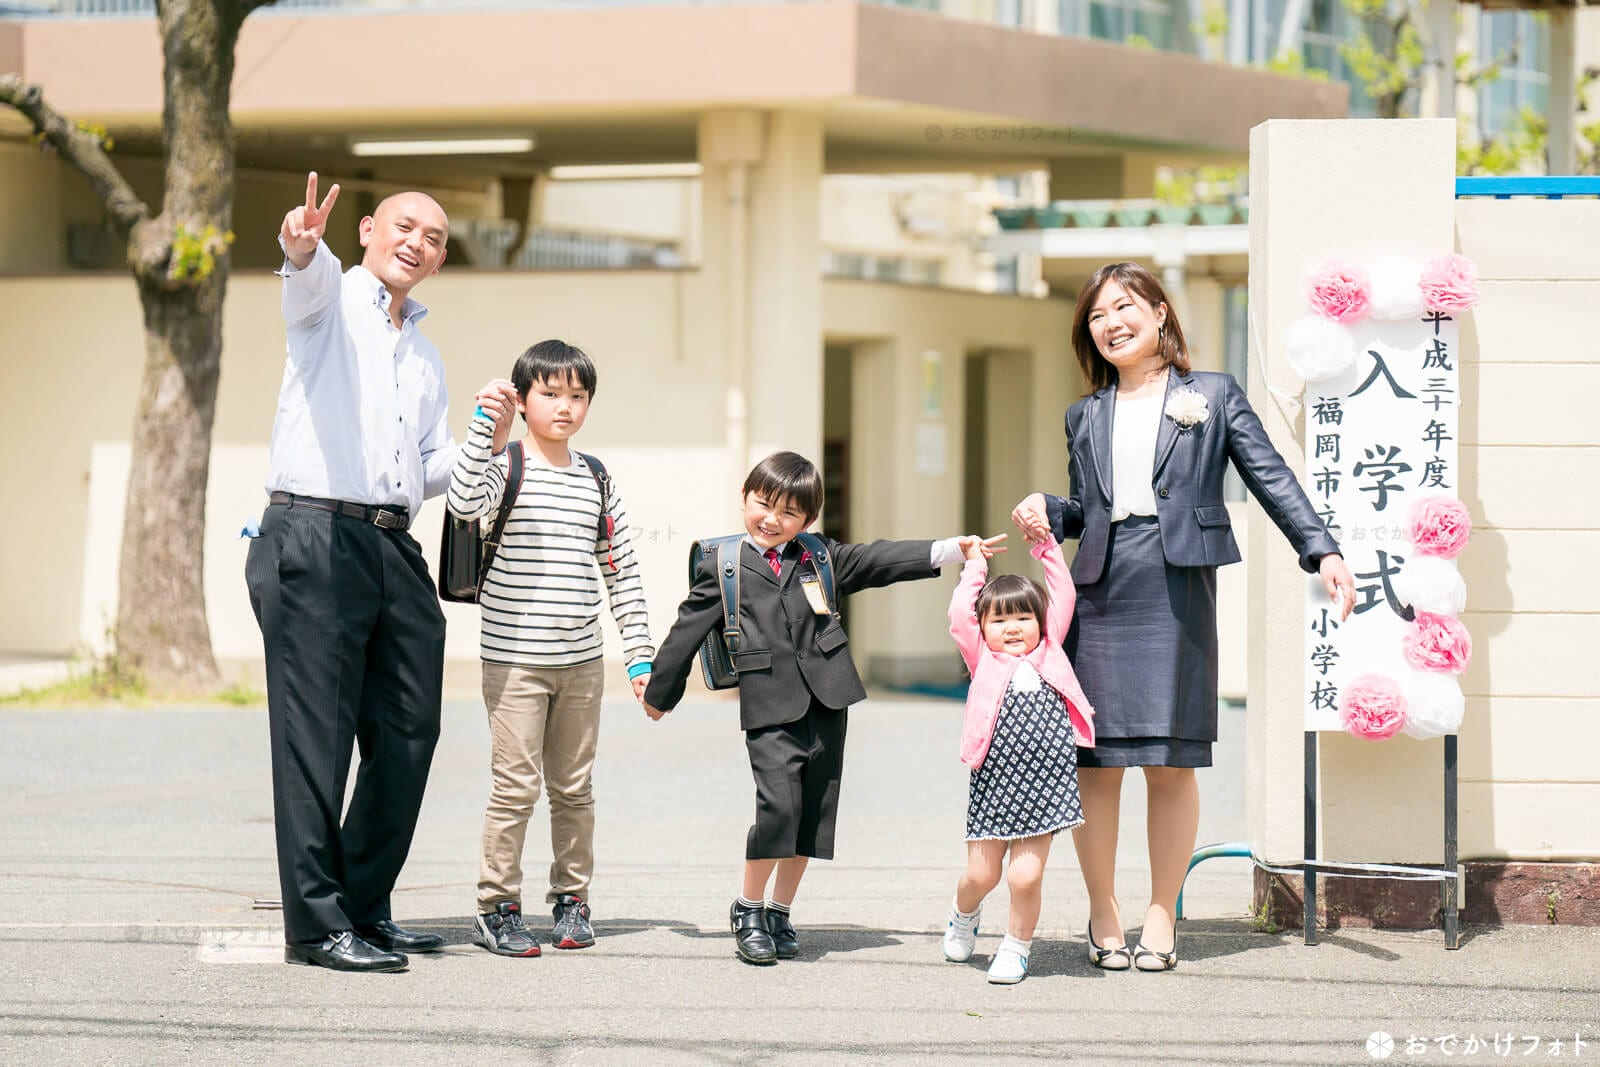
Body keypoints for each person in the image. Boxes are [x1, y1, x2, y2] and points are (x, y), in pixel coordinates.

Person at [1011, 261, 1356, 972]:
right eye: (1098, 315)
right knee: (1095, 762)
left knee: (1170, 762)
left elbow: (1270, 476)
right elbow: (1086, 510)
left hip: (1176, 584)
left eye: (1125, 306)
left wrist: (1319, 548)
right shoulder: (1085, 413)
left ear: (1161, 314)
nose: (1112, 322)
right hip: (1098, 592)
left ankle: (1162, 912)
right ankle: (1104, 911)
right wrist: (1049, 508)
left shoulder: (1214, 396)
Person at [247, 173, 504, 973]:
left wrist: (485, 439)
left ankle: (364, 904)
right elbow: (303, 269)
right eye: (404, 226)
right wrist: (300, 241)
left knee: (407, 733)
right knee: (316, 741)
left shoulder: (424, 355)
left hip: (394, 545)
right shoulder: (327, 304)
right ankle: (317, 926)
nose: (417, 242)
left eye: (433, 237)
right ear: (366, 230)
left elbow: (428, 467)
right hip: (314, 533)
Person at [642, 451, 996, 965]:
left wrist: (951, 550)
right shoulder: (721, 565)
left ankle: (780, 911)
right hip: (768, 705)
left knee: (813, 815)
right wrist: (660, 694)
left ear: (807, 519)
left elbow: (878, 560)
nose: (772, 519)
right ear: (745, 498)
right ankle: (748, 908)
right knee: (777, 809)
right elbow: (687, 630)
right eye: (763, 504)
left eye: (788, 513)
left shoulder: (819, 556)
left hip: (829, 700)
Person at [445, 340, 654, 959]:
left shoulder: (595, 477)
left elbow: (620, 568)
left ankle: (572, 902)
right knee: (515, 789)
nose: (565, 407)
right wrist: (484, 427)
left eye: (578, 396)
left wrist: (639, 655)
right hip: (513, 659)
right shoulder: (502, 466)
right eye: (551, 393)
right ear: (524, 396)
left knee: (574, 788)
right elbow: (461, 504)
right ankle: (496, 908)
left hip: (583, 664)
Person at [941, 533, 1096, 984]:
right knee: (981, 875)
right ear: (982, 628)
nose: (1013, 628)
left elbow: (1063, 594)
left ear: (1041, 622)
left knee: (1025, 878)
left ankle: (1016, 946)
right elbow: (958, 616)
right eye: (1000, 619)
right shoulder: (983, 659)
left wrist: (1047, 548)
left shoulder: (1050, 652)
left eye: (1024, 617)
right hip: (994, 786)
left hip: (1045, 787)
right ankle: (963, 915)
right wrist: (974, 568)